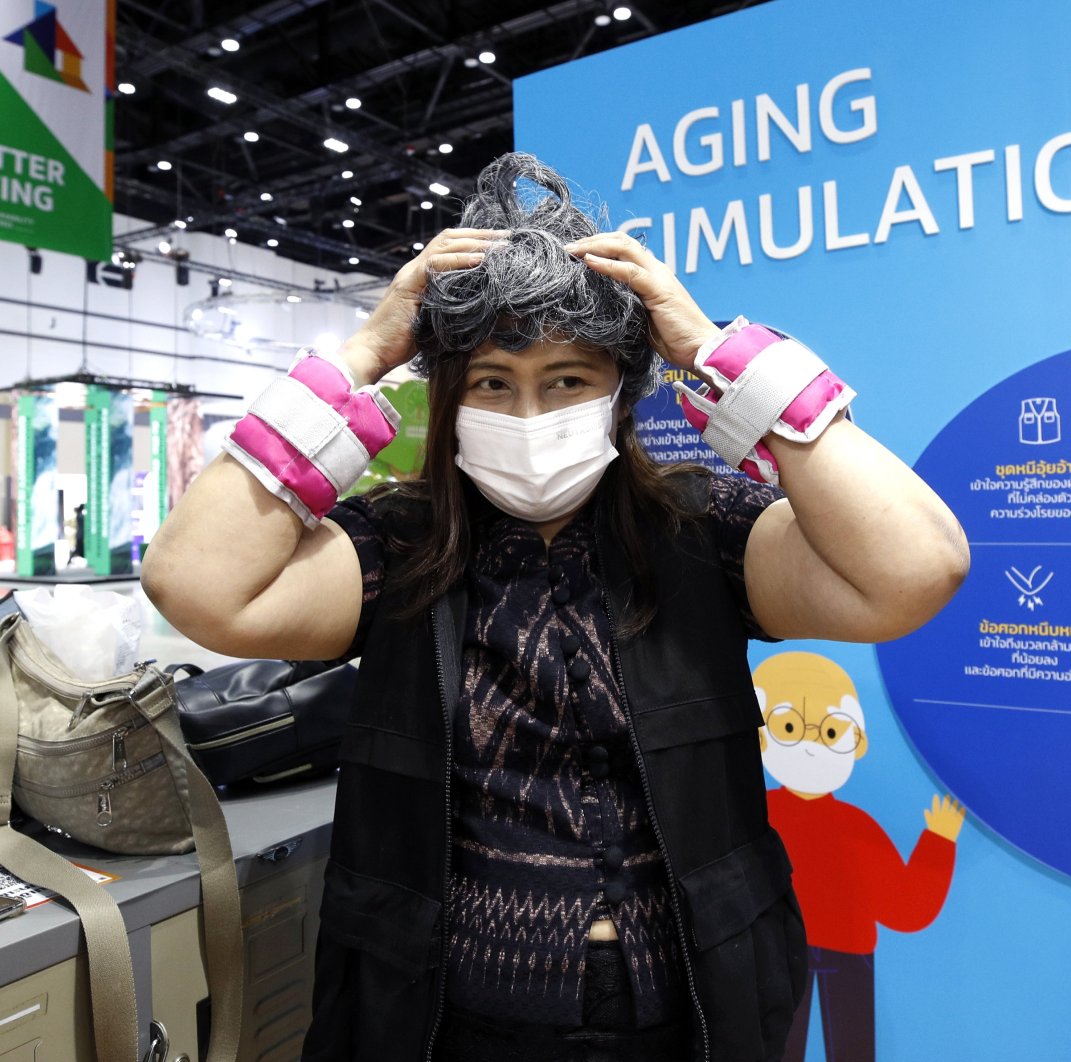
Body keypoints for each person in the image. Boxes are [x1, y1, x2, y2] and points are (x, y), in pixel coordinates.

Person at [140, 153, 969, 1062]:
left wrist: (715, 352)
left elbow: (917, 567)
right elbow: (195, 583)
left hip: (695, 1006)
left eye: (567, 380)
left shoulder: (703, 530)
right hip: (439, 1018)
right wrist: (364, 355)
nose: (529, 414)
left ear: (618, 394)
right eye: (493, 383)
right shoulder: (400, 542)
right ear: (452, 400)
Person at [754, 651, 963, 1062]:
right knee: (776, 1047)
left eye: (830, 732)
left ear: (857, 743)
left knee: (842, 1049)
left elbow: (904, 907)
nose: (811, 745)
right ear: (760, 734)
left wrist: (938, 843)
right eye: (790, 726)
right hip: (784, 950)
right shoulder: (755, 813)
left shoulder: (854, 827)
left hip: (836, 953)